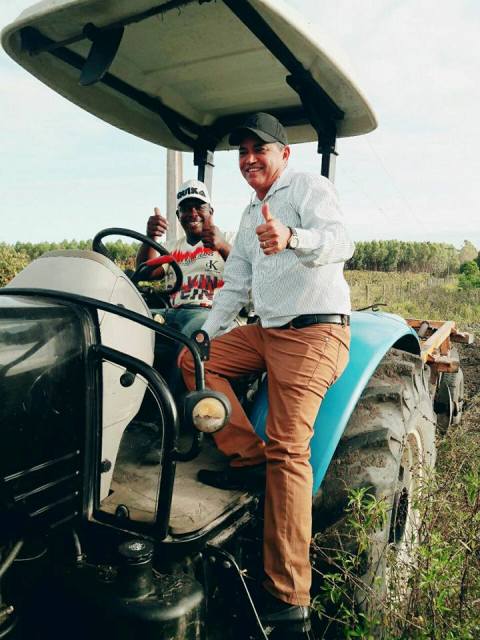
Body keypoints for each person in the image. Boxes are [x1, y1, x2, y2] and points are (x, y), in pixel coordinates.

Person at [180, 113, 354, 626]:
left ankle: (288, 598)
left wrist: (293, 237)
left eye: (260, 149)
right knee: (194, 361)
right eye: (243, 151)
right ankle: (245, 455)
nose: (250, 158)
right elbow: (235, 282)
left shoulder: (307, 188)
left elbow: (342, 241)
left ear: (284, 154)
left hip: (314, 331)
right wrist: (208, 331)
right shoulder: (249, 211)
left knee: (289, 448)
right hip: (268, 331)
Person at [136, 178, 233, 338]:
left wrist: (222, 246)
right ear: (178, 215)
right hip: (171, 312)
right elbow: (145, 273)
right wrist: (150, 237)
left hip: (209, 312)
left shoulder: (229, 239)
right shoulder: (171, 247)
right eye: (186, 208)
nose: (193, 213)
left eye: (199, 207)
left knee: (195, 331)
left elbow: (245, 271)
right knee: (131, 320)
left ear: (210, 211)